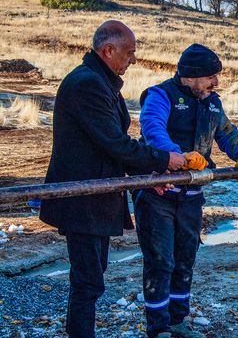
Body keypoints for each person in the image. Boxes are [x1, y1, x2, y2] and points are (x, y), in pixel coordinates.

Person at [39, 20, 188, 338]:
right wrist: (163, 160)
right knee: (88, 282)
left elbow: (112, 147)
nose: (133, 59)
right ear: (108, 50)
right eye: (130, 52)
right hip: (82, 199)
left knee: (91, 278)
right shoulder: (88, 85)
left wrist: (149, 177)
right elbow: (115, 143)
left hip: (97, 196)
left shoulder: (101, 82)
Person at [134, 43, 238, 338]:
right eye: (211, 77)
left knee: (185, 258)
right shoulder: (160, 96)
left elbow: (227, 132)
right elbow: (152, 129)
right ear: (191, 76)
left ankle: (178, 321)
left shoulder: (212, 101)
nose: (216, 83)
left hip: (191, 197)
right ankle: (158, 328)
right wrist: (179, 155)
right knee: (160, 261)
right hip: (158, 195)